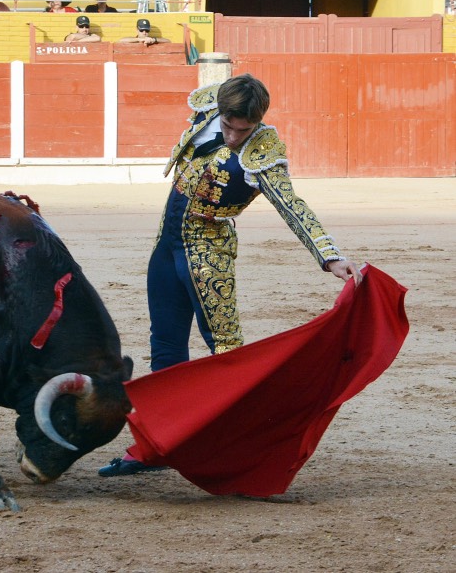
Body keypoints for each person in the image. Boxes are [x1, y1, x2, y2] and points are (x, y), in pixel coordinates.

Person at [98, 74, 363, 477]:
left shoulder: (264, 152)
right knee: (166, 345)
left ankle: (240, 446)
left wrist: (329, 256)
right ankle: (159, 445)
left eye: (246, 129)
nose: (236, 136)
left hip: (208, 255)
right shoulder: (206, 109)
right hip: (166, 245)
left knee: (227, 352)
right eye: (230, 126)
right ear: (219, 111)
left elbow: (291, 205)